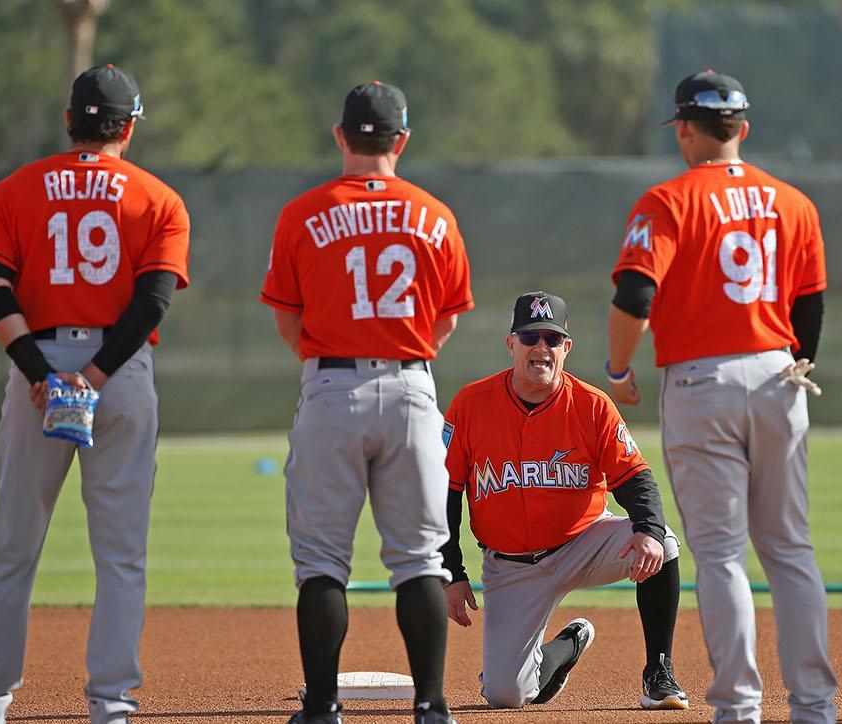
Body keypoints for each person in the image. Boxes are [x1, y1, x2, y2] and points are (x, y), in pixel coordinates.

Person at [0, 64, 190, 724]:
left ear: (71, 121)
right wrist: (88, 379)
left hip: (38, 370)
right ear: (131, 125)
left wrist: (41, 373)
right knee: (121, 555)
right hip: (117, 376)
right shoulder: (158, 197)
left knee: (12, 546)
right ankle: (111, 705)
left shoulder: (16, 190)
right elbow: (151, 304)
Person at [606, 70, 836, 723]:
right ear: (743, 129)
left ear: (684, 128)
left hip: (701, 382)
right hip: (777, 374)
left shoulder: (668, 200)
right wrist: (794, 365)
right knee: (790, 550)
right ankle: (816, 707)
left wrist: (617, 366)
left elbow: (634, 297)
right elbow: (810, 306)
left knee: (720, 555)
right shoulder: (793, 202)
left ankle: (738, 708)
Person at [261, 81, 472, 724]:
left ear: (341, 136)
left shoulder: (302, 213)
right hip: (412, 387)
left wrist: (329, 364)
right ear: (401, 141)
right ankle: (432, 706)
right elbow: (448, 323)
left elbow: (288, 319)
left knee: (322, 559)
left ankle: (322, 709)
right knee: (420, 558)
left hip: (331, 385)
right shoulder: (435, 213)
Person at [440, 291, 688, 711]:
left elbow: (635, 478)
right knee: (505, 695)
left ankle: (658, 672)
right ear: (511, 344)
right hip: (510, 564)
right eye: (530, 337)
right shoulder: (471, 404)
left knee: (661, 544)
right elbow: (445, 493)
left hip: (583, 543)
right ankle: (567, 646)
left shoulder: (592, 405)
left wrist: (646, 530)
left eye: (552, 340)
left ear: (566, 348)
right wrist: (451, 570)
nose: (541, 348)